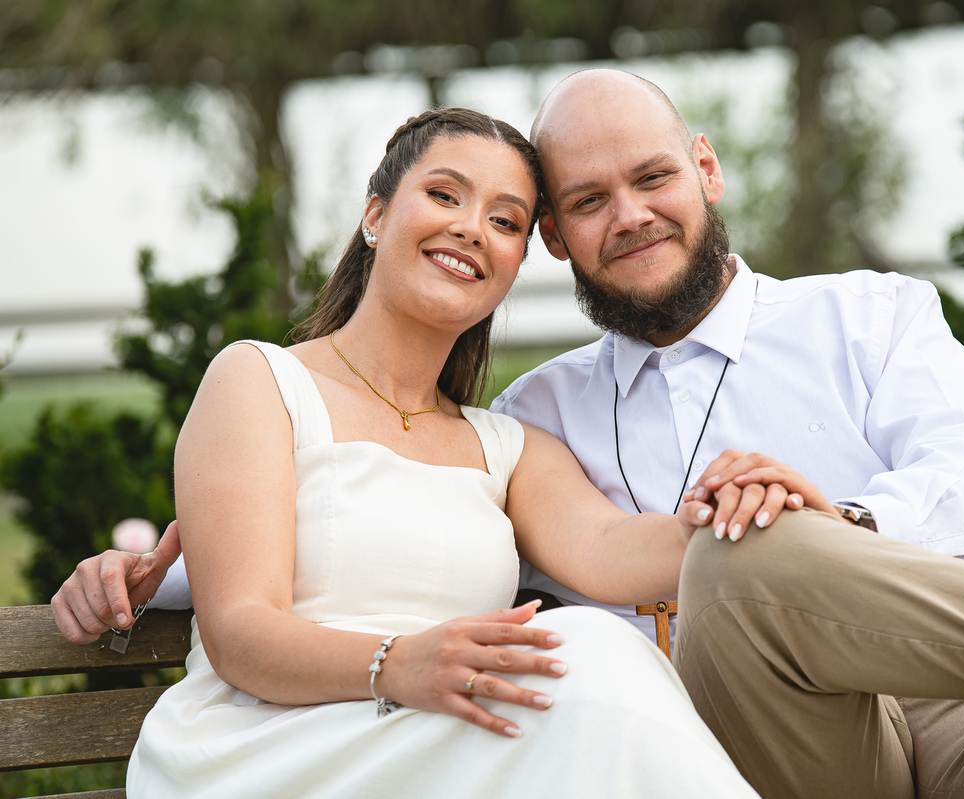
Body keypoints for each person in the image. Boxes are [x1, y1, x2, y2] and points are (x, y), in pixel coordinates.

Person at [55, 71, 964, 798]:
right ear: (559, 244)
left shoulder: (868, 315)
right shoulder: (533, 414)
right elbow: (291, 551)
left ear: (704, 167)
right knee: (734, 561)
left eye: (651, 176)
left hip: (960, 697)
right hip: (757, 746)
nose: (630, 213)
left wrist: (815, 520)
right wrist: (146, 572)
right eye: (584, 201)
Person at [100, 107, 767, 798]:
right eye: (445, 196)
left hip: (440, 743)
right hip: (267, 748)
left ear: (515, 265)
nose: (472, 228)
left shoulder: (507, 444)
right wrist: (395, 661)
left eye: (506, 221)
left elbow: (614, 549)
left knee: (600, 648)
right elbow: (240, 630)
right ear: (376, 214)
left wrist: (730, 509)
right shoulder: (261, 382)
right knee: (592, 657)